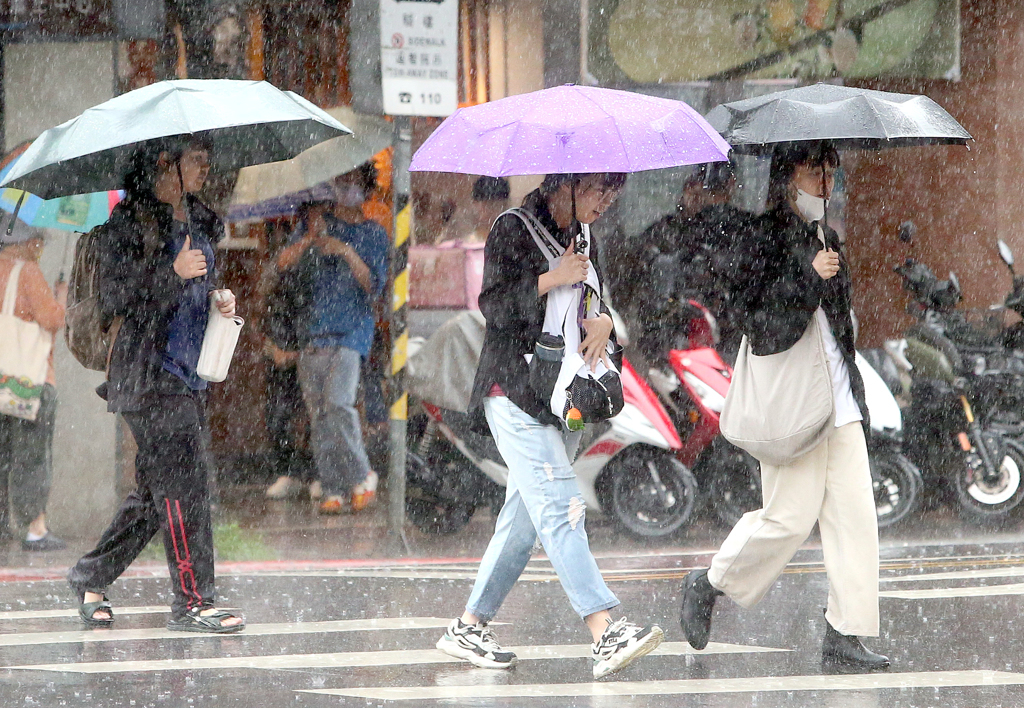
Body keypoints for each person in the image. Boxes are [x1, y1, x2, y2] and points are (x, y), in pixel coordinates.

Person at [435, 172, 664, 680]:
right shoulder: (511, 228)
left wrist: (603, 322)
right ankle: (604, 631)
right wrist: (550, 279)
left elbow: (591, 303)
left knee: (524, 521)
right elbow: (493, 306)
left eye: (614, 193)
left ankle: (469, 625)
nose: (607, 202)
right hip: (513, 392)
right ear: (567, 184)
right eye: (600, 190)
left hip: (563, 398)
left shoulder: (583, 236)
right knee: (561, 508)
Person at [679, 142, 889, 671]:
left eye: (830, 168)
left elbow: (838, 330)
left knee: (856, 518)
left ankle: (846, 632)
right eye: (812, 168)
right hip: (794, 402)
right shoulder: (761, 238)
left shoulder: (829, 238)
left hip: (839, 401)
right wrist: (807, 277)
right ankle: (709, 583)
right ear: (785, 175)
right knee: (788, 518)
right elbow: (765, 328)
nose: (824, 179)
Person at [67, 136, 245, 633]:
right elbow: (115, 298)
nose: (207, 170)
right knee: (184, 487)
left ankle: (90, 576)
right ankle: (193, 601)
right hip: (148, 375)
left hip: (190, 372)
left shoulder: (201, 219)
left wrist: (218, 296)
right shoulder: (126, 225)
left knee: (153, 495)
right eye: (198, 162)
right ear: (167, 164)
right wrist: (171, 271)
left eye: (210, 162)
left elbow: (201, 284)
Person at [277, 163, 389, 515]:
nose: (347, 188)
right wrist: (312, 238)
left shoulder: (374, 234)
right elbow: (282, 262)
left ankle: (361, 472)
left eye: (355, 182)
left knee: (339, 402)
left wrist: (344, 251)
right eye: (341, 179)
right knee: (319, 415)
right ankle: (332, 488)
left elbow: (375, 286)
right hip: (313, 331)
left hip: (352, 332)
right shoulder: (317, 224)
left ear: (367, 190)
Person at [0, 223, 66, 551]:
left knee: (2, 455)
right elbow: (51, 319)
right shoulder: (28, 272)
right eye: (39, 241)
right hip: (28, 382)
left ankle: (3, 526)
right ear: (27, 242)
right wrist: (61, 299)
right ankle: (34, 528)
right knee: (31, 455)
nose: (41, 248)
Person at [262, 204, 330, 501]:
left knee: (316, 411)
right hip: (283, 334)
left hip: (314, 337)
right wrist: (273, 345)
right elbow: (272, 277)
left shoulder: (334, 243)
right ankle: (287, 471)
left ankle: (319, 473)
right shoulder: (296, 240)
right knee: (279, 411)